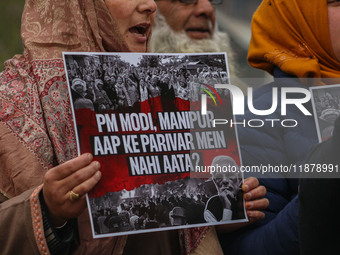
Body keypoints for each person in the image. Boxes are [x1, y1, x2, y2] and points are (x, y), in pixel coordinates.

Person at [0, 1, 268, 255]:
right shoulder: (10, 104)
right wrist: (47, 211)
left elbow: (173, 222)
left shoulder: (174, 91)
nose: (151, 5)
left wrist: (223, 209)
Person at [218, 0, 340, 255]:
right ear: (298, 20)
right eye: (335, 2)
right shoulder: (260, 115)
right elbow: (243, 248)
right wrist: (320, 193)